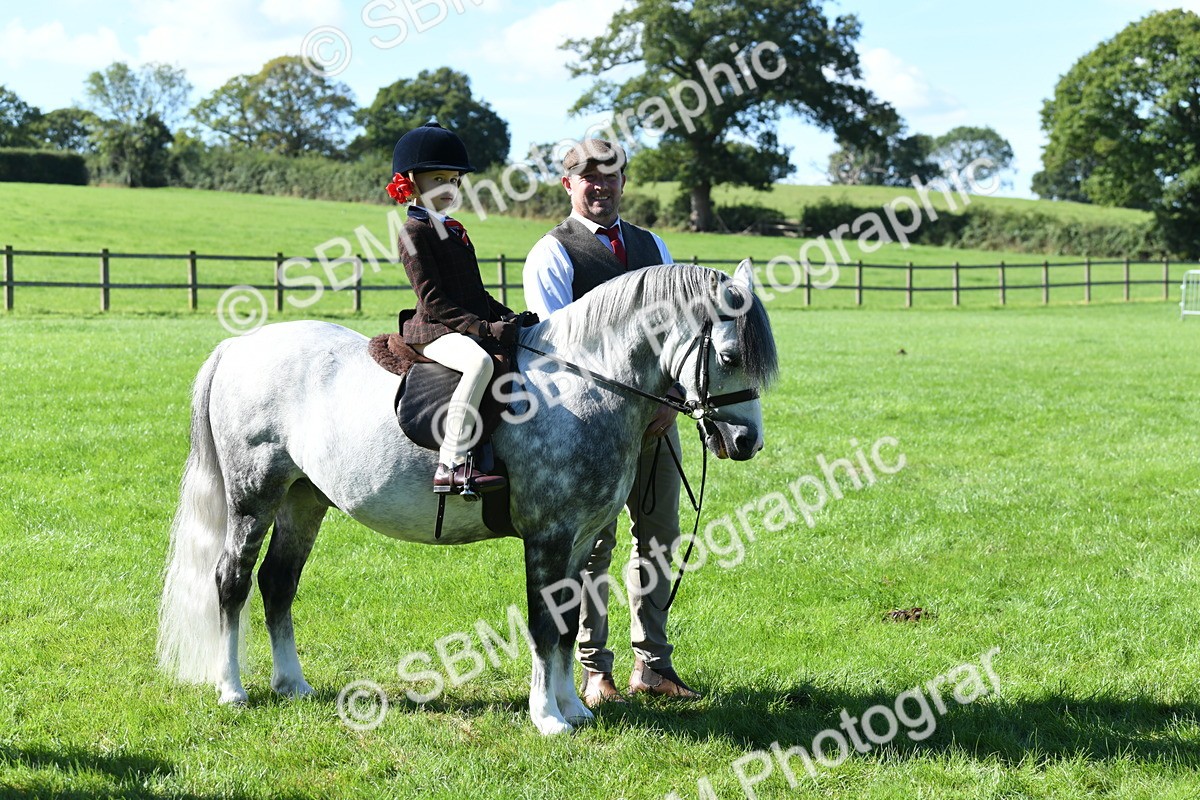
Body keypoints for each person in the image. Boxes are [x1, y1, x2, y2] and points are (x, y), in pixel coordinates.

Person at [522, 139, 700, 707]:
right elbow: (554, 349)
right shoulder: (551, 254)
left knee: (660, 541)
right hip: (585, 433)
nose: (600, 186)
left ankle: (654, 665)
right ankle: (595, 670)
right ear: (568, 185)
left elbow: (681, 332)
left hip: (656, 425)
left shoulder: (654, 245)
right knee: (592, 547)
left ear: (624, 182)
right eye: (588, 178)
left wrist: (669, 401)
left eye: (611, 177)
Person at [391, 121, 517, 494]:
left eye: (455, 180)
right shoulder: (413, 233)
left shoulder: (455, 229)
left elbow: (473, 292)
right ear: (412, 181)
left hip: (458, 324)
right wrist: (480, 329)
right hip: (432, 329)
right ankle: (451, 463)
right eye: (438, 179)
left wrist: (506, 316)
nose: (450, 187)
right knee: (478, 363)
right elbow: (432, 299)